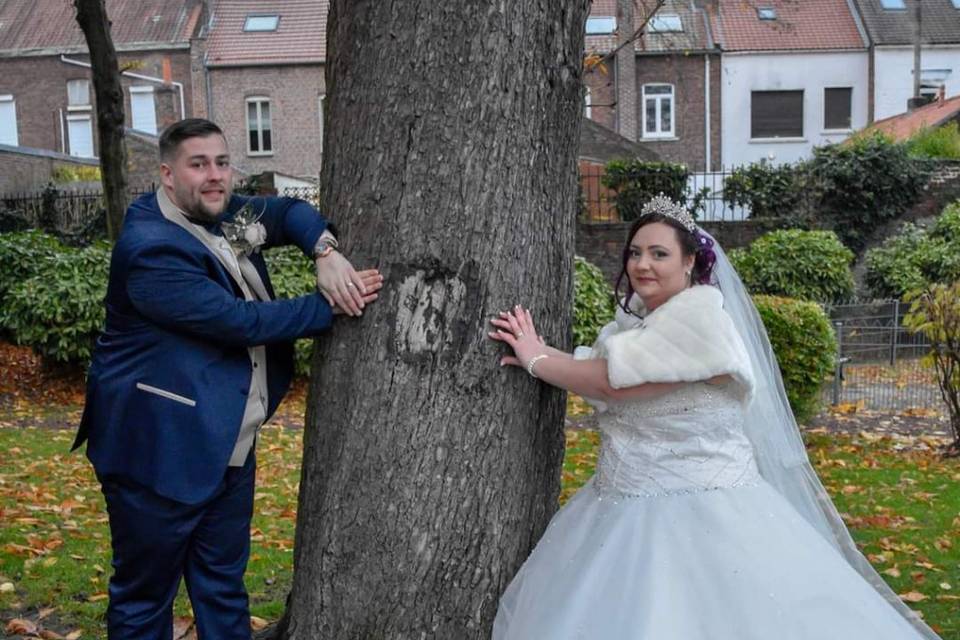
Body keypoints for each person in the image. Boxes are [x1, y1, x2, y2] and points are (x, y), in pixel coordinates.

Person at [488, 194, 940, 639]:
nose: (642, 264)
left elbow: (612, 382)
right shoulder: (642, 326)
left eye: (659, 254)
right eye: (635, 252)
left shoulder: (700, 325)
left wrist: (536, 359)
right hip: (616, 507)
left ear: (689, 263)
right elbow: (606, 369)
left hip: (705, 514)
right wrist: (540, 350)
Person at [71, 118, 382, 639]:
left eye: (221, 161)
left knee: (222, 588)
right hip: (157, 453)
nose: (215, 176)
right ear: (167, 176)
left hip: (229, 443)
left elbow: (286, 212)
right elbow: (237, 323)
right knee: (145, 600)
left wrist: (325, 253)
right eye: (198, 165)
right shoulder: (150, 249)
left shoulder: (219, 210)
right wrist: (338, 301)